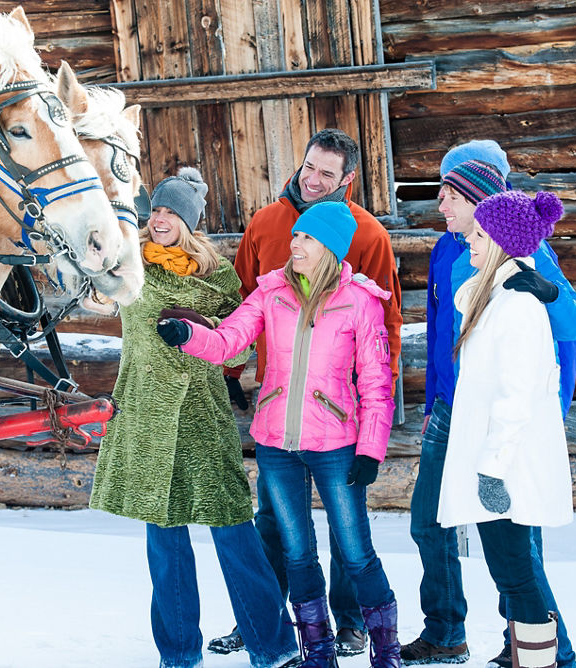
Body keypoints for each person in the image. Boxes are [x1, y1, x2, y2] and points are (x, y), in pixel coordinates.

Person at [159, 201, 400, 668]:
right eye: (294, 237)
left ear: (328, 247)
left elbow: (376, 381)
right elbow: (230, 340)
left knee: (356, 554)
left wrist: (371, 447)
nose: (294, 244)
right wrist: (187, 335)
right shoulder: (270, 292)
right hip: (277, 446)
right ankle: (318, 654)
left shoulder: (360, 300)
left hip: (336, 446)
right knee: (297, 554)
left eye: (306, 238)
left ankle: (385, 652)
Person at [88, 167, 300, 668]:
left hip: (204, 415)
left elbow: (239, 338)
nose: (159, 219)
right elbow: (94, 291)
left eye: (170, 212)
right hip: (146, 414)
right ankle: (179, 654)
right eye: (155, 210)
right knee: (165, 544)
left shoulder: (220, 275)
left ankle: (272, 647)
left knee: (234, 531)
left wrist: (205, 330)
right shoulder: (128, 262)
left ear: (189, 221)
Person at [211, 128, 402, 658]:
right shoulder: (266, 223)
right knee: (275, 526)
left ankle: (350, 623)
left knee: (347, 533)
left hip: (337, 412)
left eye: (326, 173)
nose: (312, 180)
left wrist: (370, 419)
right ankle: (267, 622)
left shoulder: (367, 236)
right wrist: (233, 371)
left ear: (348, 180)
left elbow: (382, 325)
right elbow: (243, 300)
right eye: (308, 167)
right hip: (278, 411)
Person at [401, 143, 576, 668]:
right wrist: (437, 401)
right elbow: (444, 336)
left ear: (481, 203)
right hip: (452, 412)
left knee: (512, 547)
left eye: (449, 193)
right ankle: (445, 631)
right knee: (429, 523)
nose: (439, 202)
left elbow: (568, 331)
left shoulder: (519, 252)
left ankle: (543, 652)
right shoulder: (447, 249)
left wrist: (548, 294)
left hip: (500, 421)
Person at [437, 189, 575, 668]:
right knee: (510, 575)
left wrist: (492, 469)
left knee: (517, 576)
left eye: (478, 233)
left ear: (499, 240)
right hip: (493, 463)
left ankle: (544, 663)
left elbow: (516, 397)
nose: (469, 240)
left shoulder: (516, 306)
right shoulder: (493, 295)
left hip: (505, 468)